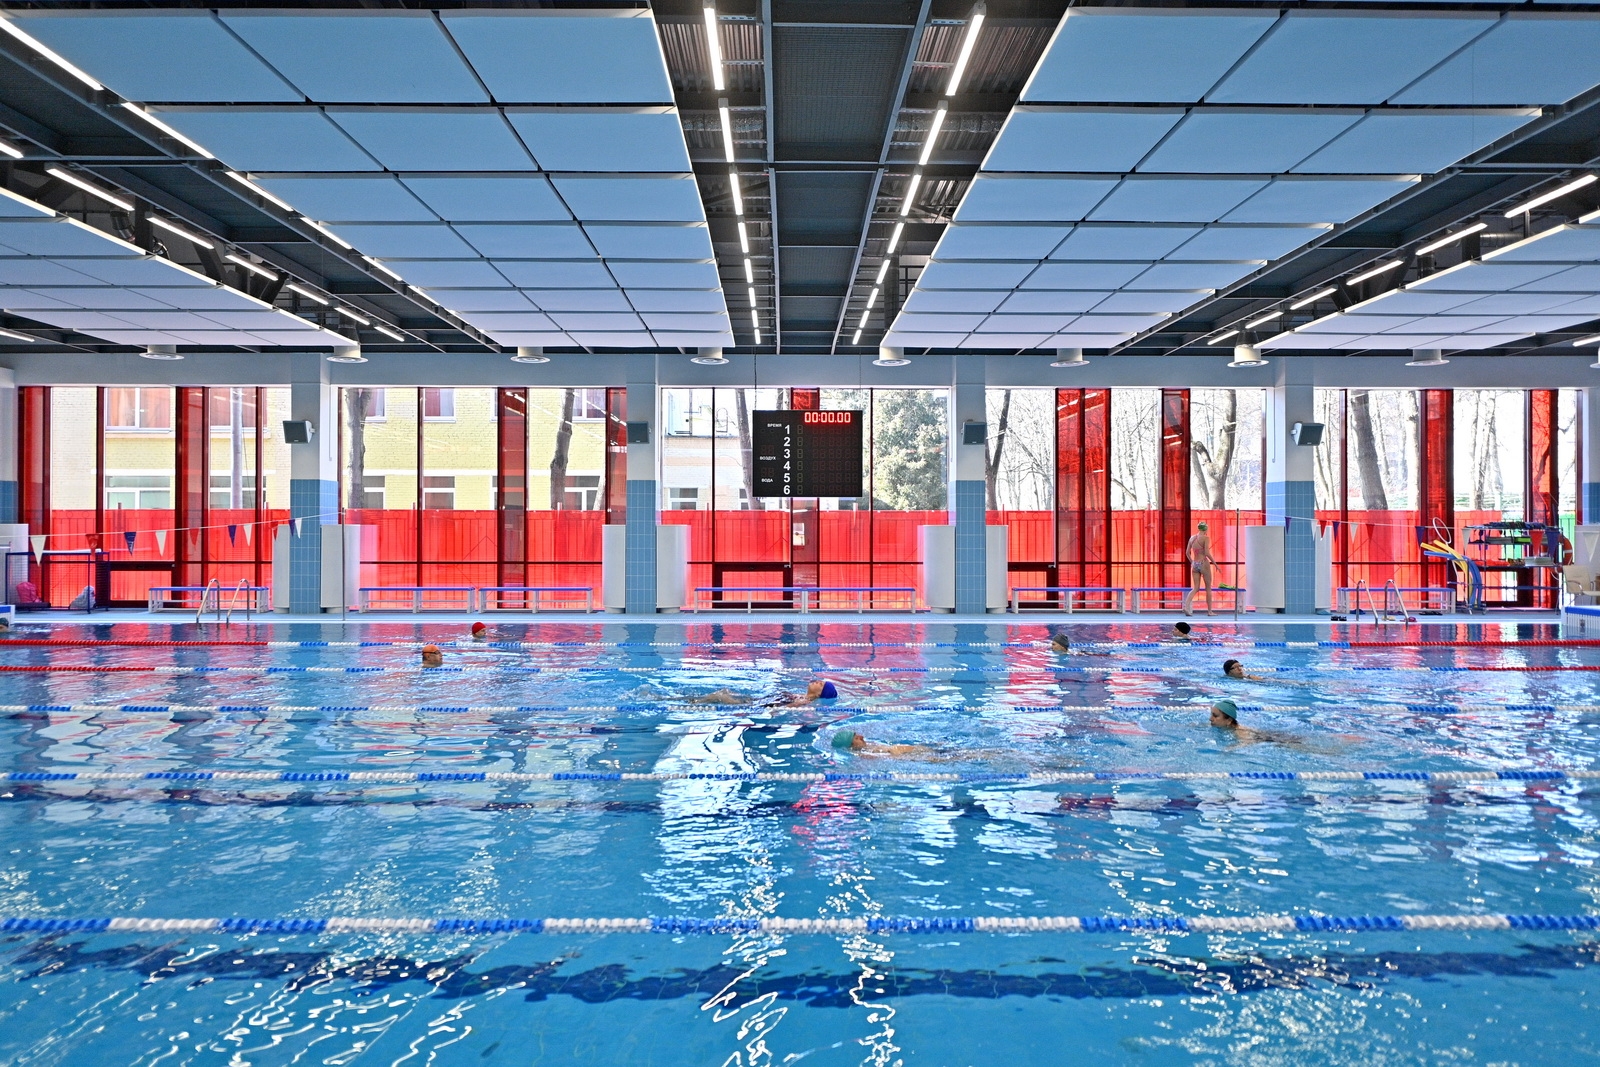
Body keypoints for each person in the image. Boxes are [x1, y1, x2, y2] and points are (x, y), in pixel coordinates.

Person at [1208, 699, 1305, 747]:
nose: (1210, 719)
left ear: (1229, 720)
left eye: (1215, 716)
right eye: (1211, 714)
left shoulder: (1239, 732)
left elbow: (1247, 743)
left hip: (1272, 739)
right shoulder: (1224, 725)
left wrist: (1230, 748)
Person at [690, 679, 838, 706]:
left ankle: (695, 702)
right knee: (725, 691)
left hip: (759, 706)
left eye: (821, 685)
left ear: (819, 694)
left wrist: (774, 711)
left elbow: (785, 709)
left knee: (720, 696)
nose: (818, 681)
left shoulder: (804, 701)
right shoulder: (802, 696)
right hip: (760, 701)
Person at [1183, 522, 1217, 617]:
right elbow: (1207, 553)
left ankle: (1186, 607)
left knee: (1195, 588)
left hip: (1195, 564)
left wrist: (1192, 562)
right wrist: (1215, 564)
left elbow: (1187, 553)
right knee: (1208, 588)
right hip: (1203, 563)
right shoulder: (1206, 538)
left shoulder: (1192, 538)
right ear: (1205, 529)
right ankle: (1210, 611)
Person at [830, 729, 938, 758]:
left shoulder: (868, 747)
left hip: (915, 750)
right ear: (850, 746)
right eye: (857, 738)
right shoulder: (865, 755)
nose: (862, 737)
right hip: (913, 755)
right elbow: (894, 757)